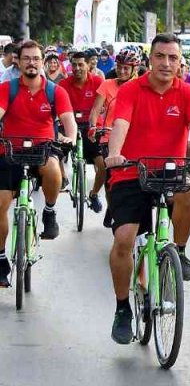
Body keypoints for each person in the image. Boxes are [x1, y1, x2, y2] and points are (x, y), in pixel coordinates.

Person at [103, 33, 190, 343]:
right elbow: (120, 124)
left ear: (180, 61)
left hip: (170, 171)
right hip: (131, 172)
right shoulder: (130, 90)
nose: (166, 63)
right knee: (125, 239)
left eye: (173, 58)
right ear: (150, 59)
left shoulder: (188, 93)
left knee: (189, 195)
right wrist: (115, 154)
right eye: (160, 56)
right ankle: (122, 308)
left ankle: (178, 251)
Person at [0, 41, 77, 270]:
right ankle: (1, 258)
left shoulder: (55, 91)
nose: (31, 63)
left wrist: (70, 137)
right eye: (26, 58)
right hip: (10, 150)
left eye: (35, 58)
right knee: (0, 205)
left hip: (43, 147)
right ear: (19, 61)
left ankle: (50, 211)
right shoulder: (7, 88)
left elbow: (68, 122)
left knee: (53, 168)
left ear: (42, 62)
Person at [86, 47, 141, 214]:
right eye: (119, 67)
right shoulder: (107, 84)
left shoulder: (140, 87)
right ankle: (111, 207)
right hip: (108, 136)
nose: (122, 71)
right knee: (109, 173)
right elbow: (95, 109)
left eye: (126, 68)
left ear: (134, 69)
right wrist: (93, 126)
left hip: (132, 137)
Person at [58, 49, 104, 191]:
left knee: (102, 165)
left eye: (80, 64)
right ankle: (63, 177)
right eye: (74, 65)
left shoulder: (98, 81)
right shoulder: (63, 84)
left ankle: (94, 193)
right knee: (55, 151)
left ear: (88, 65)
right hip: (69, 126)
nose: (77, 68)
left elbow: (104, 104)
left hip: (91, 126)